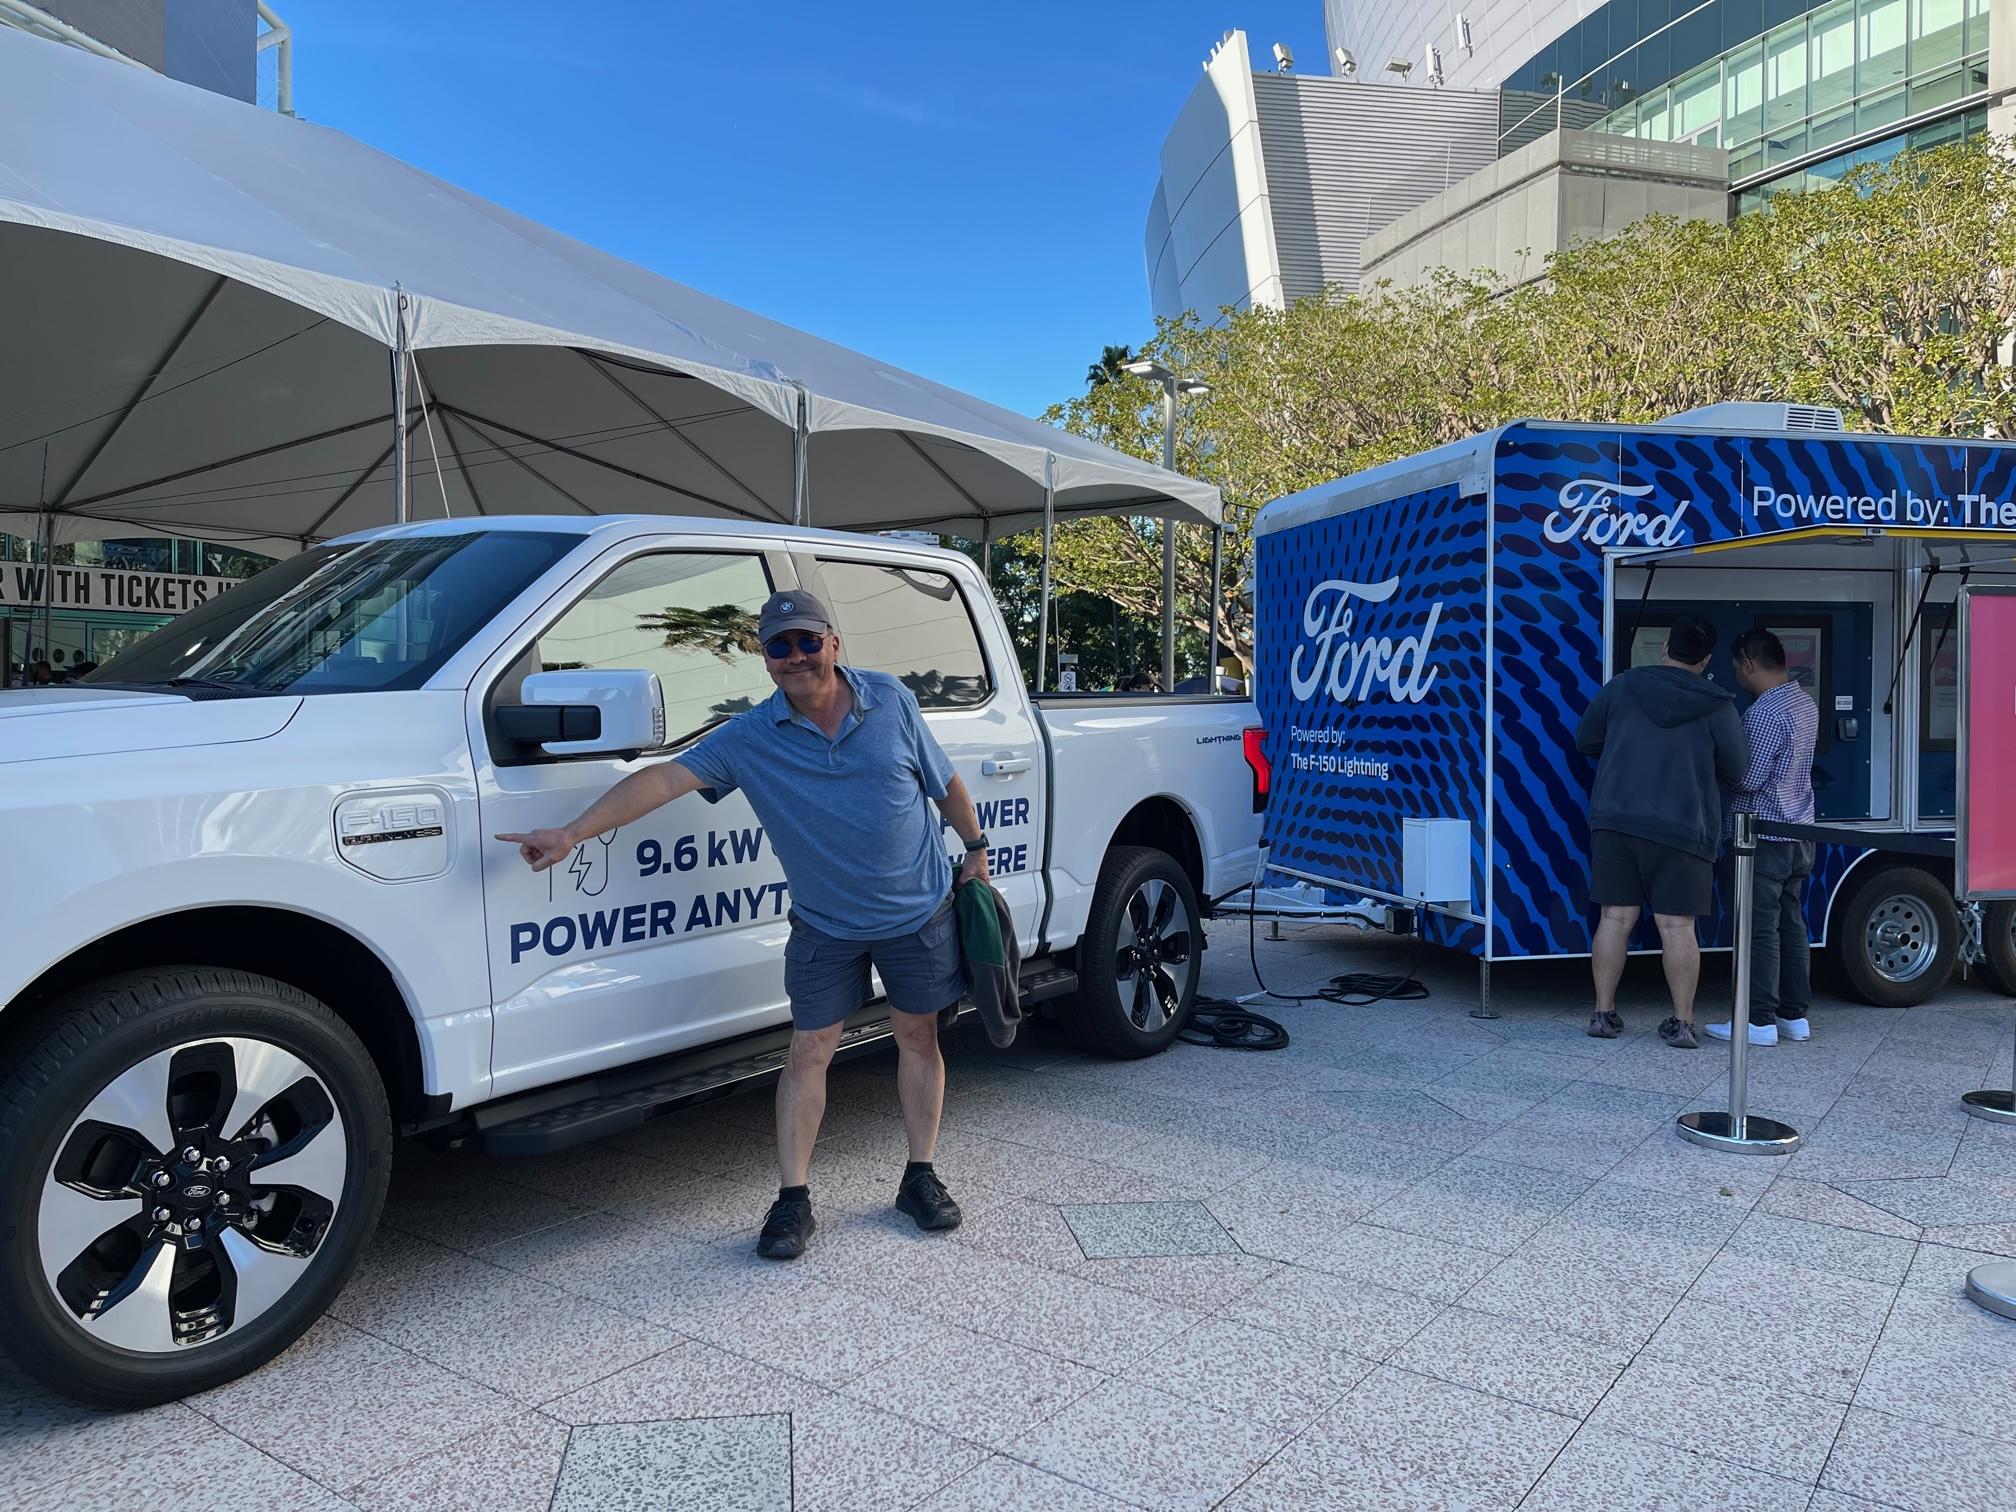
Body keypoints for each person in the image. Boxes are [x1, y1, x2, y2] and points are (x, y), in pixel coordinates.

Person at [497, 591, 989, 1260]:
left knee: (918, 1035)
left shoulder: (890, 701)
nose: (795, 657)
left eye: (807, 641)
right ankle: (792, 1200)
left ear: (833, 643)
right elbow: (663, 780)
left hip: (918, 908)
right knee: (809, 1050)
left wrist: (976, 848)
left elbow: (944, 781)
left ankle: (920, 1176)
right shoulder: (750, 738)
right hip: (826, 924)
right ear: (766, 659)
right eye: (779, 646)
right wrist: (572, 832)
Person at [1575, 615, 1748, 1049]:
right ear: (1705, 659)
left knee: (1615, 917)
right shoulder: (1719, 704)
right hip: (1685, 829)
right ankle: (1683, 1023)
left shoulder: (1621, 687)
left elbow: (1586, 741)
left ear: (1665, 649)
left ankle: (1602, 1012)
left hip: (1617, 822)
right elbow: (1739, 771)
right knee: (1676, 927)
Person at [1706, 629, 1819, 1047]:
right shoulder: (1805, 703)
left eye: (1737, 667)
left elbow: (1749, 779)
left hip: (1762, 835)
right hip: (1799, 831)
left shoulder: (1763, 713)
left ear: (1749, 664)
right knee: (1792, 923)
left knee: (1758, 929)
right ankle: (1794, 1016)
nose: (1737, 674)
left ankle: (1757, 1021)